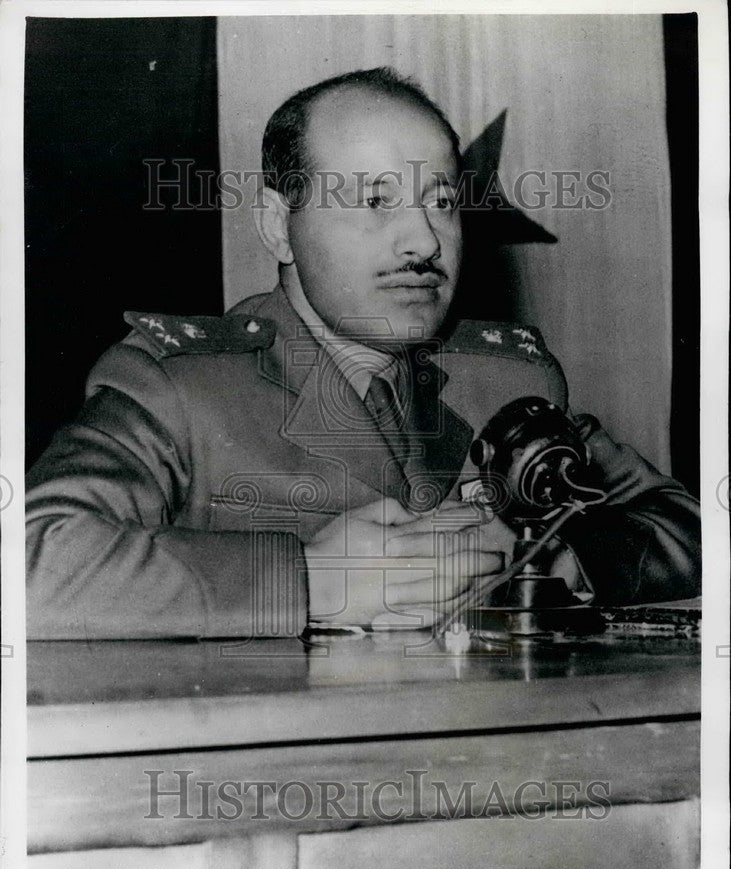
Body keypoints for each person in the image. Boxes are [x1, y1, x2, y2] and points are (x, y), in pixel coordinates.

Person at [25, 67, 700, 640]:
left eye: (441, 201)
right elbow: (31, 559)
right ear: (278, 226)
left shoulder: (504, 381)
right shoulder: (182, 385)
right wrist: (311, 581)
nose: (424, 242)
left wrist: (544, 559)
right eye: (374, 199)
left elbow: (693, 526)